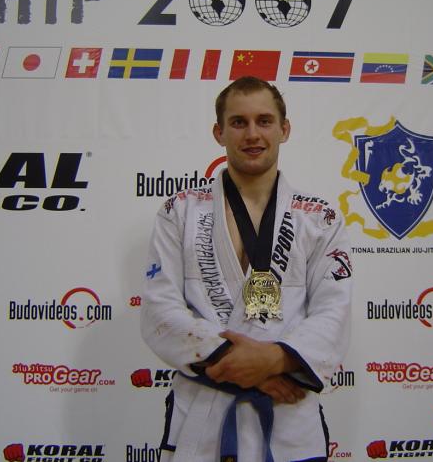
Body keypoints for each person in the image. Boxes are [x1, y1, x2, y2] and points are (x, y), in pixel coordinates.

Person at [141, 76, 353, 462]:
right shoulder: (180, 211)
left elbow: (333, 311)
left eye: (264, 121)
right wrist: (243, 364)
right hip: (204, 415)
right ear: (219, 132)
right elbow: (161, 309)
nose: (252, 134)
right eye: (238, 122)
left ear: (284, 129)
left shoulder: (319, 218)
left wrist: (275, 359)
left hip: (290, 423)